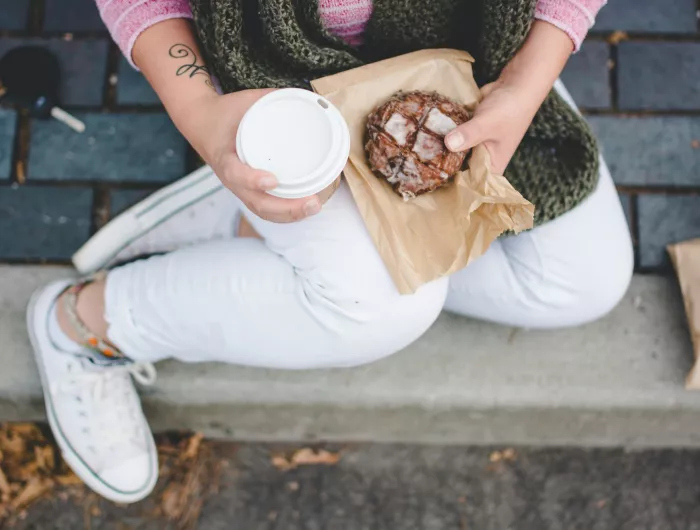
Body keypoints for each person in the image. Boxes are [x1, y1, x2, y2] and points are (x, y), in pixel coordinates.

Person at [26, 0, 631, 503]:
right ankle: (84, 326)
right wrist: (200, 114)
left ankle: (256, 230)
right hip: (282, 88)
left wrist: (528, 80)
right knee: (389, 305)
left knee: (584, 282)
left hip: (467, 54)